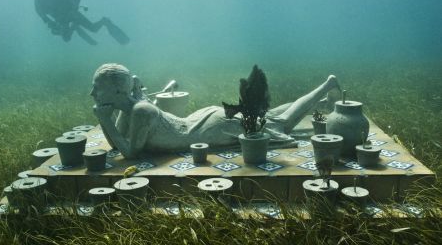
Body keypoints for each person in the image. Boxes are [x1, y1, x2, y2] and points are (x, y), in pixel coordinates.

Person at [91, 63, 341, 159]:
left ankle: (327, 84)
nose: (93, 94)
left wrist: (105, 119)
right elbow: (116, 146)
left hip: (209, 129)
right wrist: (106, 119)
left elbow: (131, 153)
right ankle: (320, 98)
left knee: (281, 123)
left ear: (116, 92)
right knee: (272, 118)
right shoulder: (130, 108)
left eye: (97, 89)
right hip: (198, 123)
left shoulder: (141, 110)